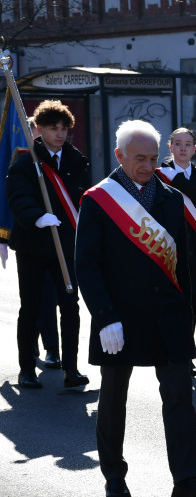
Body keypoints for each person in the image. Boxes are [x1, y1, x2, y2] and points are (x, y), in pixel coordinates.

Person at [75, 119, 196, 497]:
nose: (149, 165)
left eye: (154, 158)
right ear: (119, 156)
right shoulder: (99, 200)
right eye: (140, 158)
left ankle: (187, 480)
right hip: (119, 317)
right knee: (113, 399)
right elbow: (87, 265)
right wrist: (104, 316)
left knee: (180, 395)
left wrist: (188, 310)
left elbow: (183, 263)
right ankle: (113, 476)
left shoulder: (171, 198)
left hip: (168, 315)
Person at [5, 100, 90, 389]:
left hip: (65, 244)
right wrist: (37, 216)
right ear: (39, 129)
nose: (60, 134)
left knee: (70, 305)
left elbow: (84, 198)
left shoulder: (76, 161)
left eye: (64, 128)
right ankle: (27, 369)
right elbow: (18, 196)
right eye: (54, 128)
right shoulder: (25, 162)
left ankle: (71, 369)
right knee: (30, 306)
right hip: (33, 244)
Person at [158, 127, 196, 377]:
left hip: (195, 249)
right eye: (178, 143)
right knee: (170, 303)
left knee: (192, 306)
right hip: (168, 246)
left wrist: (178, 180)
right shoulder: (159, 174)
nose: (182, 148)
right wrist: (173, 178)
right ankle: (169, 353)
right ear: (170, 147)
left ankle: (186, 356)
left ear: (194, 149)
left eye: (187, 144)